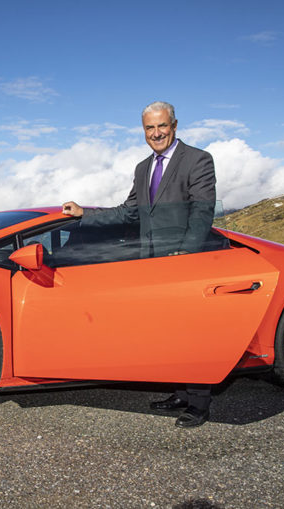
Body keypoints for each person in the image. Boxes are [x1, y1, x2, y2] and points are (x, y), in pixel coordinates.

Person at [62, 100, 216, 428]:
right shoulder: (143, 168)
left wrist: (186, 254)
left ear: (174, 125)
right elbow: (129, 212)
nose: (156, 133)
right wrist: (84, 214)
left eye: (162, 126)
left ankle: (199, 404)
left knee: (190, 334)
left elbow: (202, 211)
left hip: (184, 263)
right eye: (150, 128)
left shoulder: (198, 160)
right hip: (150, 266)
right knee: (165, 332)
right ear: (143, 131)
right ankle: (180, 393)